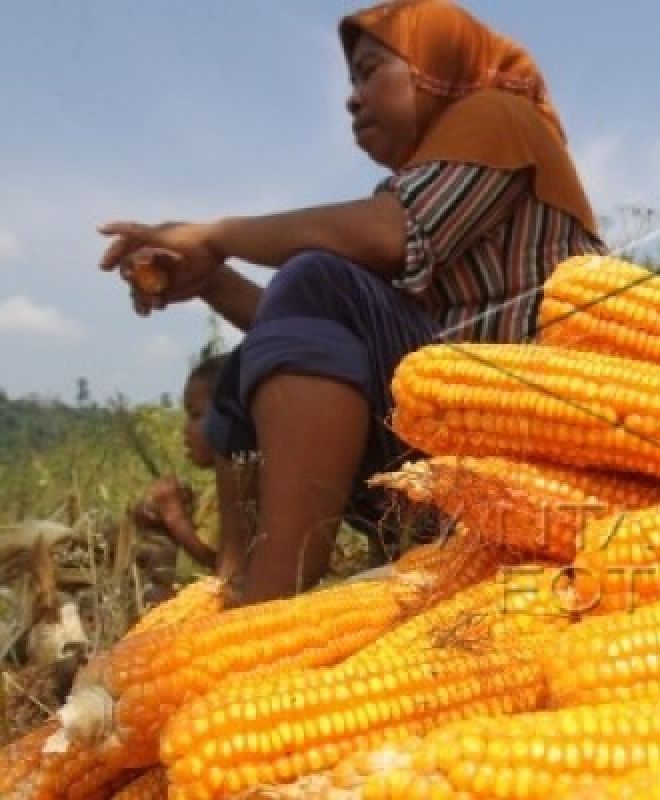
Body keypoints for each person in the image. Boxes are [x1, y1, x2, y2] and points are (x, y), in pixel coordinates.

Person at [98, 0, 606, 607]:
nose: (352, 96)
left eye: (371, 70)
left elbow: (386, 240)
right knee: (248, 364)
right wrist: (210, 277)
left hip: (523, 443)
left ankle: (268, 600)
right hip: (443, 444)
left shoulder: (497, 116)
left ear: (434, 68)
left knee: (320, 279)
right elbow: (312, 354)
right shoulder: (420, 187)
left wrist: (215, 234)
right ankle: (232, 585)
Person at [131, 354, 226, 598]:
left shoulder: (236, 494)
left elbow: (216, 558)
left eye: (195, 416)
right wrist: (158, 517)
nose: (185, 430)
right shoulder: (215, 490)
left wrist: (174, 516)